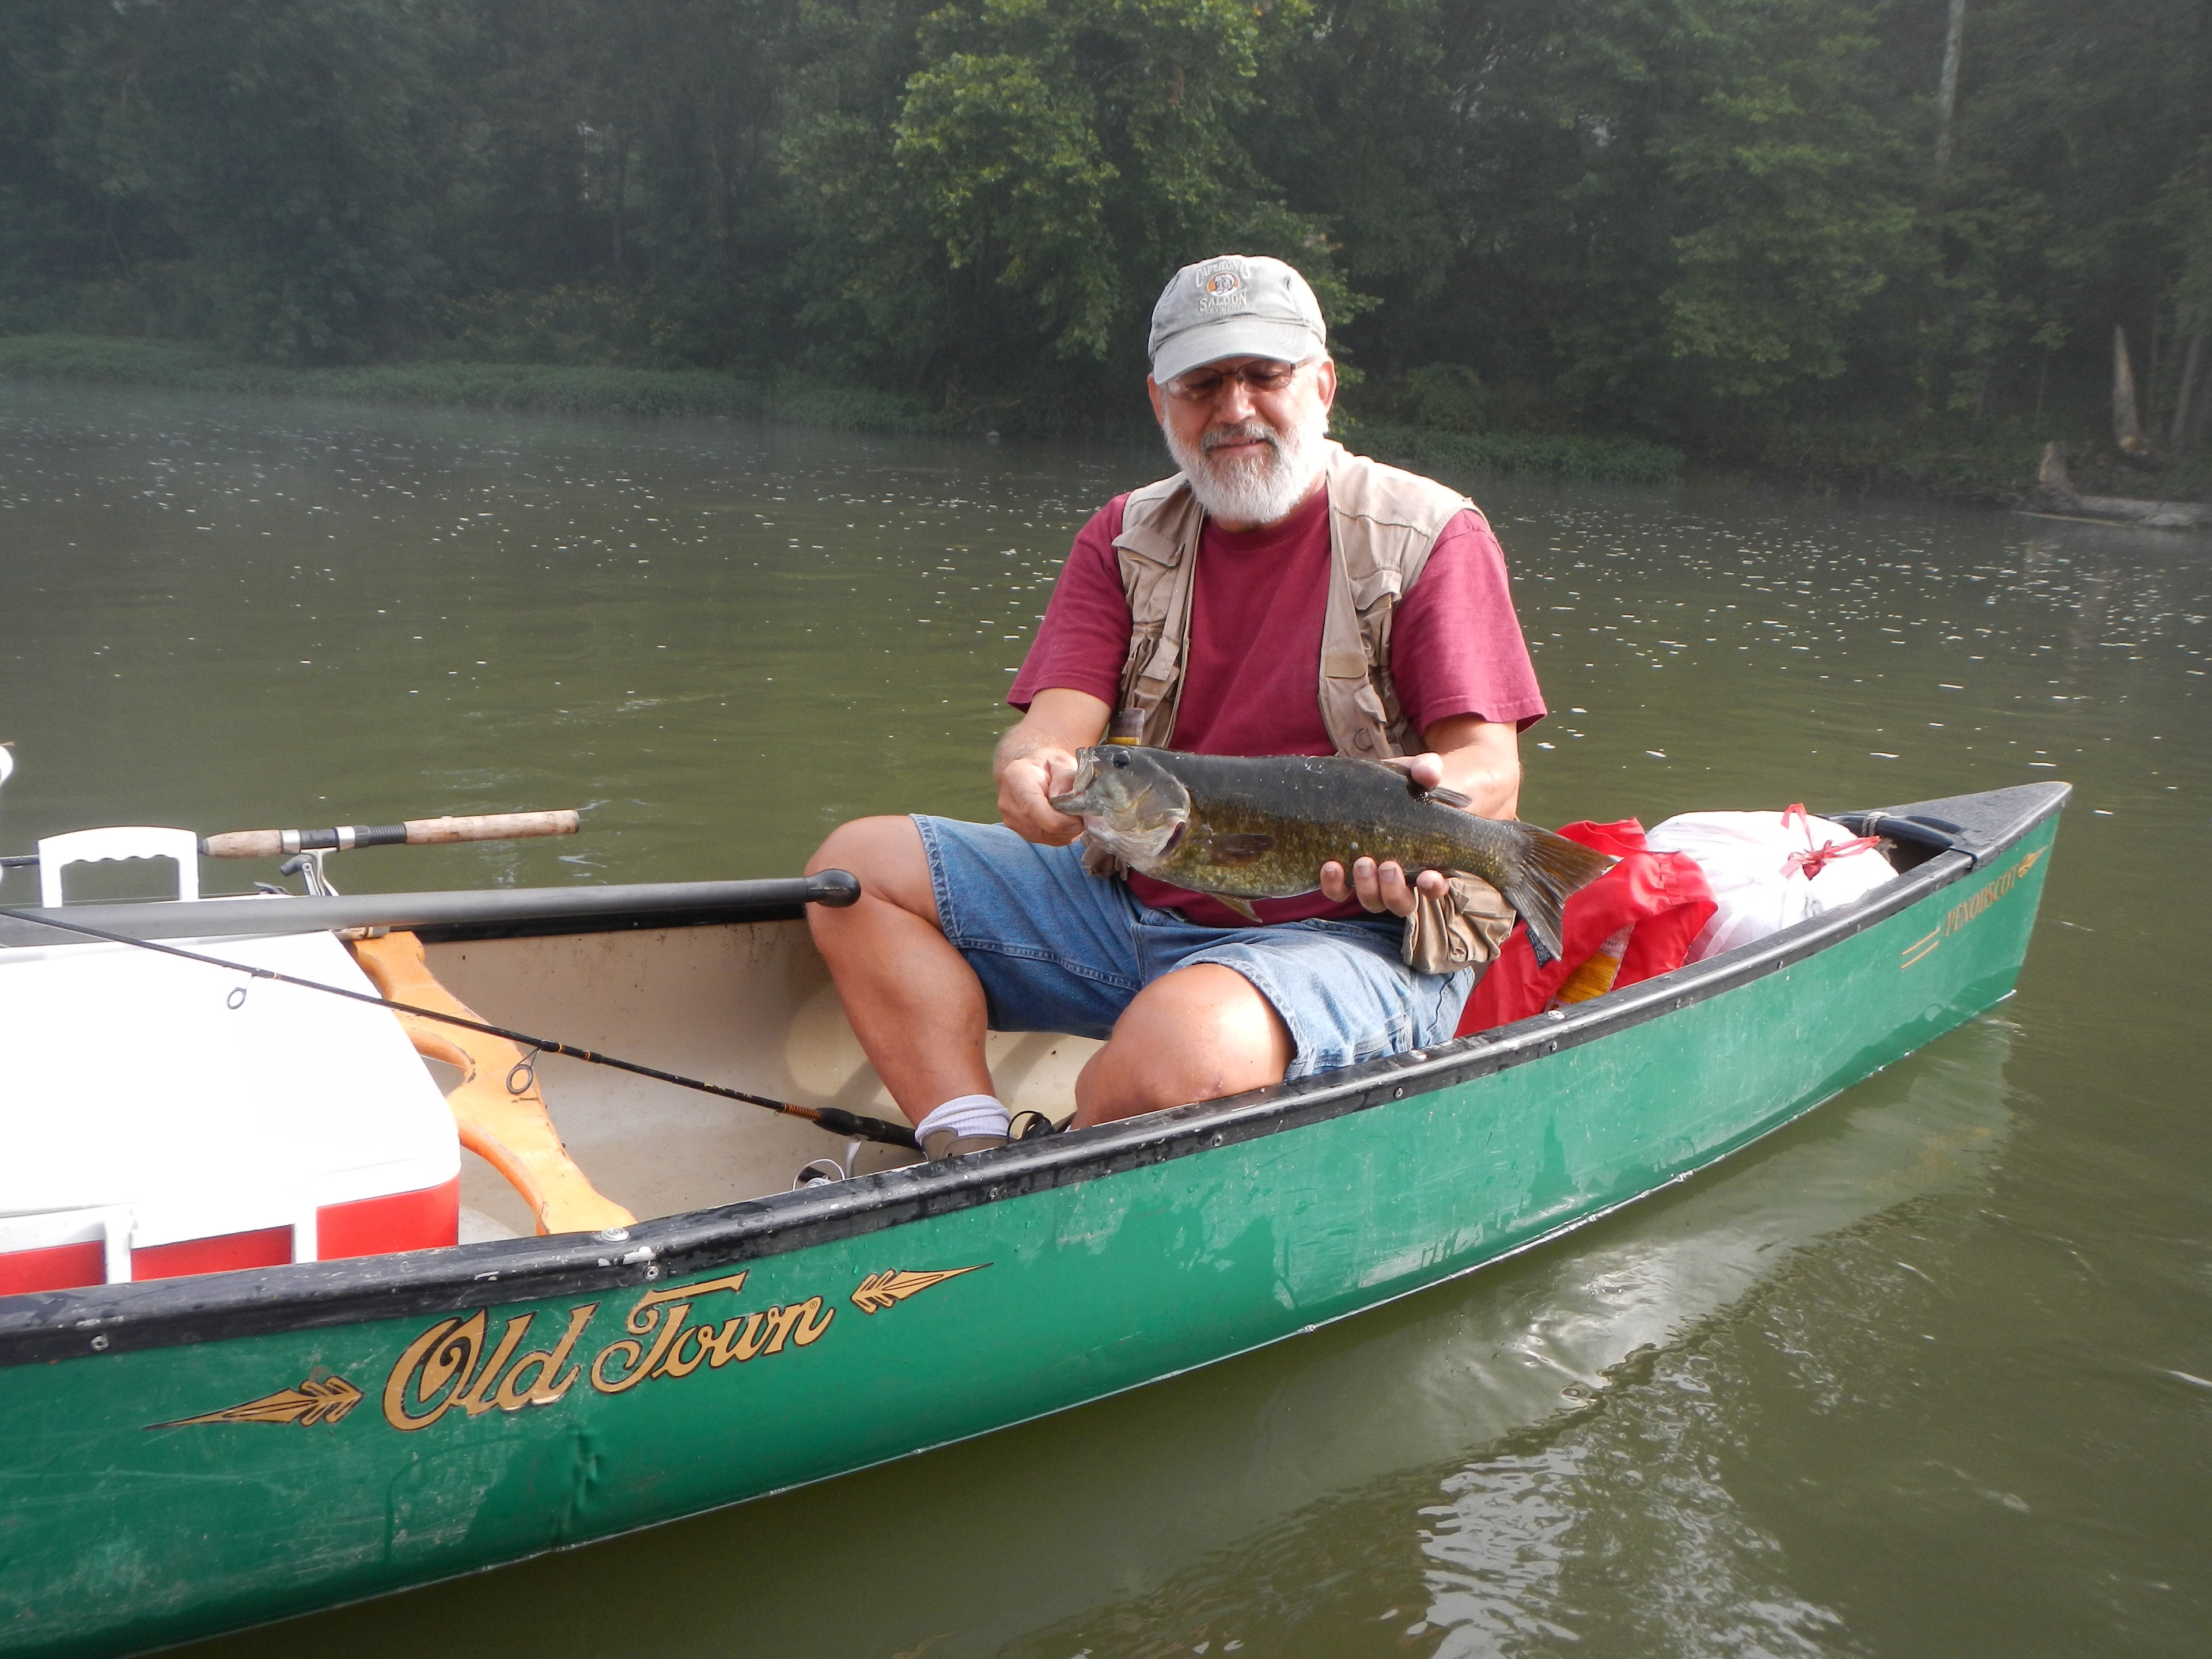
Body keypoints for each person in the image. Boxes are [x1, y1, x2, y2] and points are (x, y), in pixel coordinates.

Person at [806, 253, 1546, 1158]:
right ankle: (966, 1145)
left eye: (1262, 377)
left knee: (1178, 1047)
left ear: (1321, 385)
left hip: (1361, 939)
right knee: (856, 870)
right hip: (1134, 900)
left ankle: (1076, 1152)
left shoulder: (1430, 533)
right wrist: (1028, 775)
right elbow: (1052, 732)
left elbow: (1489, 767)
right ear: (1161, 403)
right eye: (1202, 385)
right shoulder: (1120, 537)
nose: (1234, 409)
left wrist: (1430, 809)